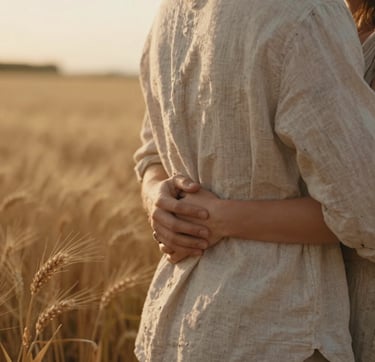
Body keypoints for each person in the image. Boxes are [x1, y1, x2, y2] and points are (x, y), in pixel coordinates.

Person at [134, 0, 375, 361]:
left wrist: (162, 200)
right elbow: (365, 207)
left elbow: (153, 155)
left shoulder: (172, 11)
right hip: (281, 328)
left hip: (179, 325)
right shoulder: (308, 15)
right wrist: (194, 213)